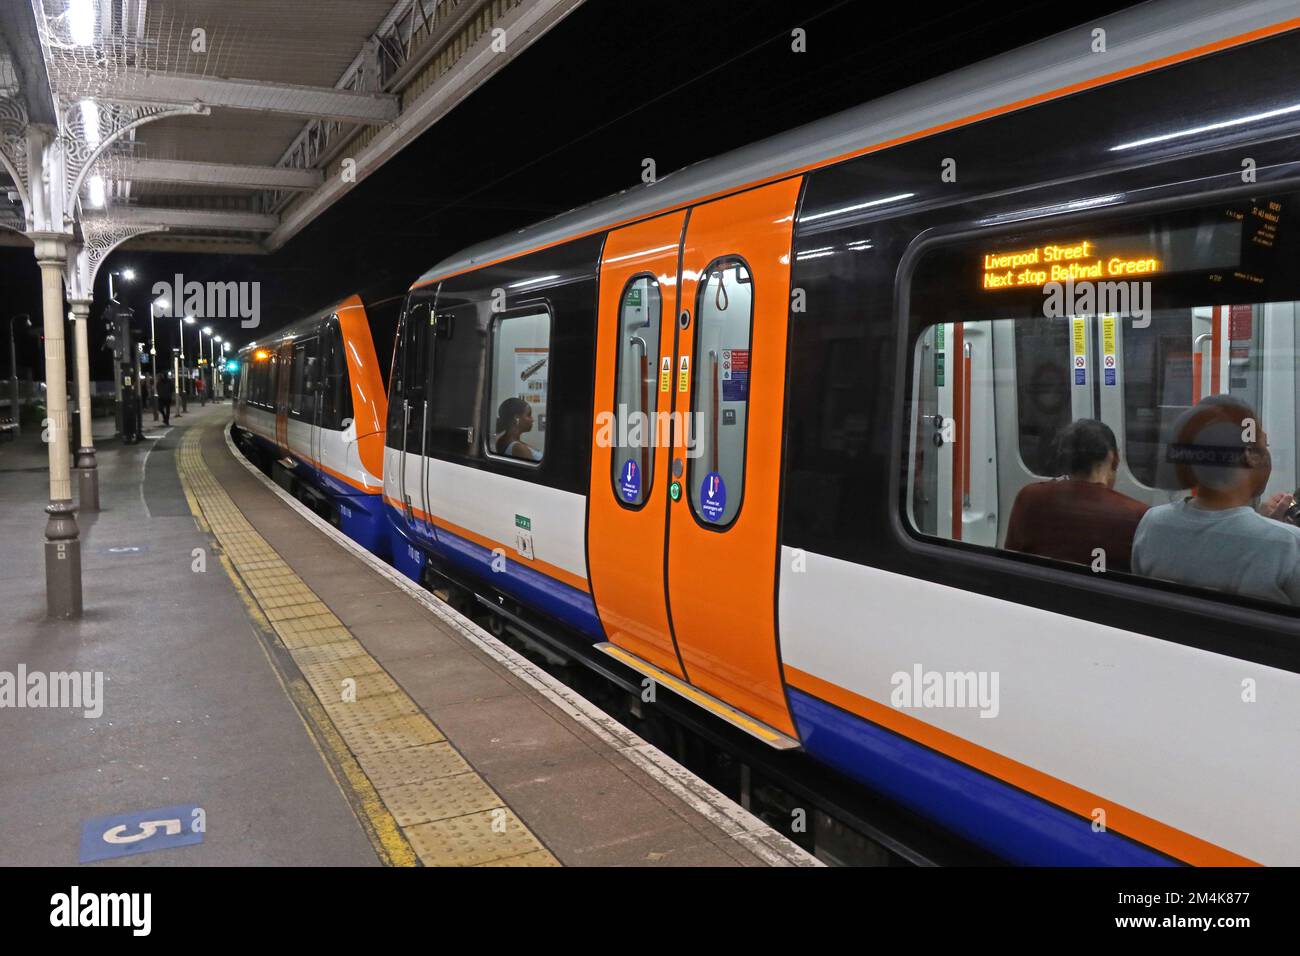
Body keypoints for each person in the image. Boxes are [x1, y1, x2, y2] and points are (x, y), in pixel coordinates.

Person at [1131, 394, 1300, 604]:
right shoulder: (1288, 543)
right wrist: (1269, 529)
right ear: (1251, 455)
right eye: (1265, 444)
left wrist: (1262, 523)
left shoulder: (1152, 522)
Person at [1005, 419, 1149, 571]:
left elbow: (1011, 560)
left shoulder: (1029, 498)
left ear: (1064, 460)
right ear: (1114, 458)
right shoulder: (1138, 515)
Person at [494, 397, 542, 462]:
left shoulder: (503, 440)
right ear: (516, 418)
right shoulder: (519, 448)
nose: (532, 420)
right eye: (529, 415)